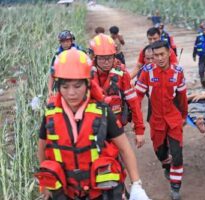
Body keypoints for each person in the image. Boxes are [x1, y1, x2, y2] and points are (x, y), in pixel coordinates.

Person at [35, 48, 150, 200]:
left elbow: (124, 148)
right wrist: (45, 183)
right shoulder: (50, 115)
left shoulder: (102, 112)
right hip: (66, 193)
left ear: (88, 84)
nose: (71, 93)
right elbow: (42, 148)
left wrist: (136, 184)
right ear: (58, 86)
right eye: (65, 87)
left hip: (99, 192)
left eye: (77, 86)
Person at [136, 41, 188, 200]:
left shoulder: (178, 72)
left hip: (173, 119)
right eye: (155, 55)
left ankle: (175, 187)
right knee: (160, 152)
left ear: (169, 54)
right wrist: (137, 121)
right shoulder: (147, 72)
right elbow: (137, 96)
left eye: (162, 54)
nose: (159, 58)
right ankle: (166, 164)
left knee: (177, 154)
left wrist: (183, 116)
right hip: (156, 120)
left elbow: (182, 98)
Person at [89, 34, 145, 148]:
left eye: (109, 58)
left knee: (118, 157)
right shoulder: (85, 74)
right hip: (92, 125)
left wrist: (139, 130)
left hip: (115, 125)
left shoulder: (122, 74)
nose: (106, 62)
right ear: (94, 57)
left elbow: (133, 102)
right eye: (102, 58)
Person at [48, 30, 83, 96]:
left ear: (71, 41)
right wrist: (50, 90)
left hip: (78, 82)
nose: (65, 44)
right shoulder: (57, 56)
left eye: (67, 41)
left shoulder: (79, 53)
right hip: (63, 84)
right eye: (63, 42)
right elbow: (52, 73)